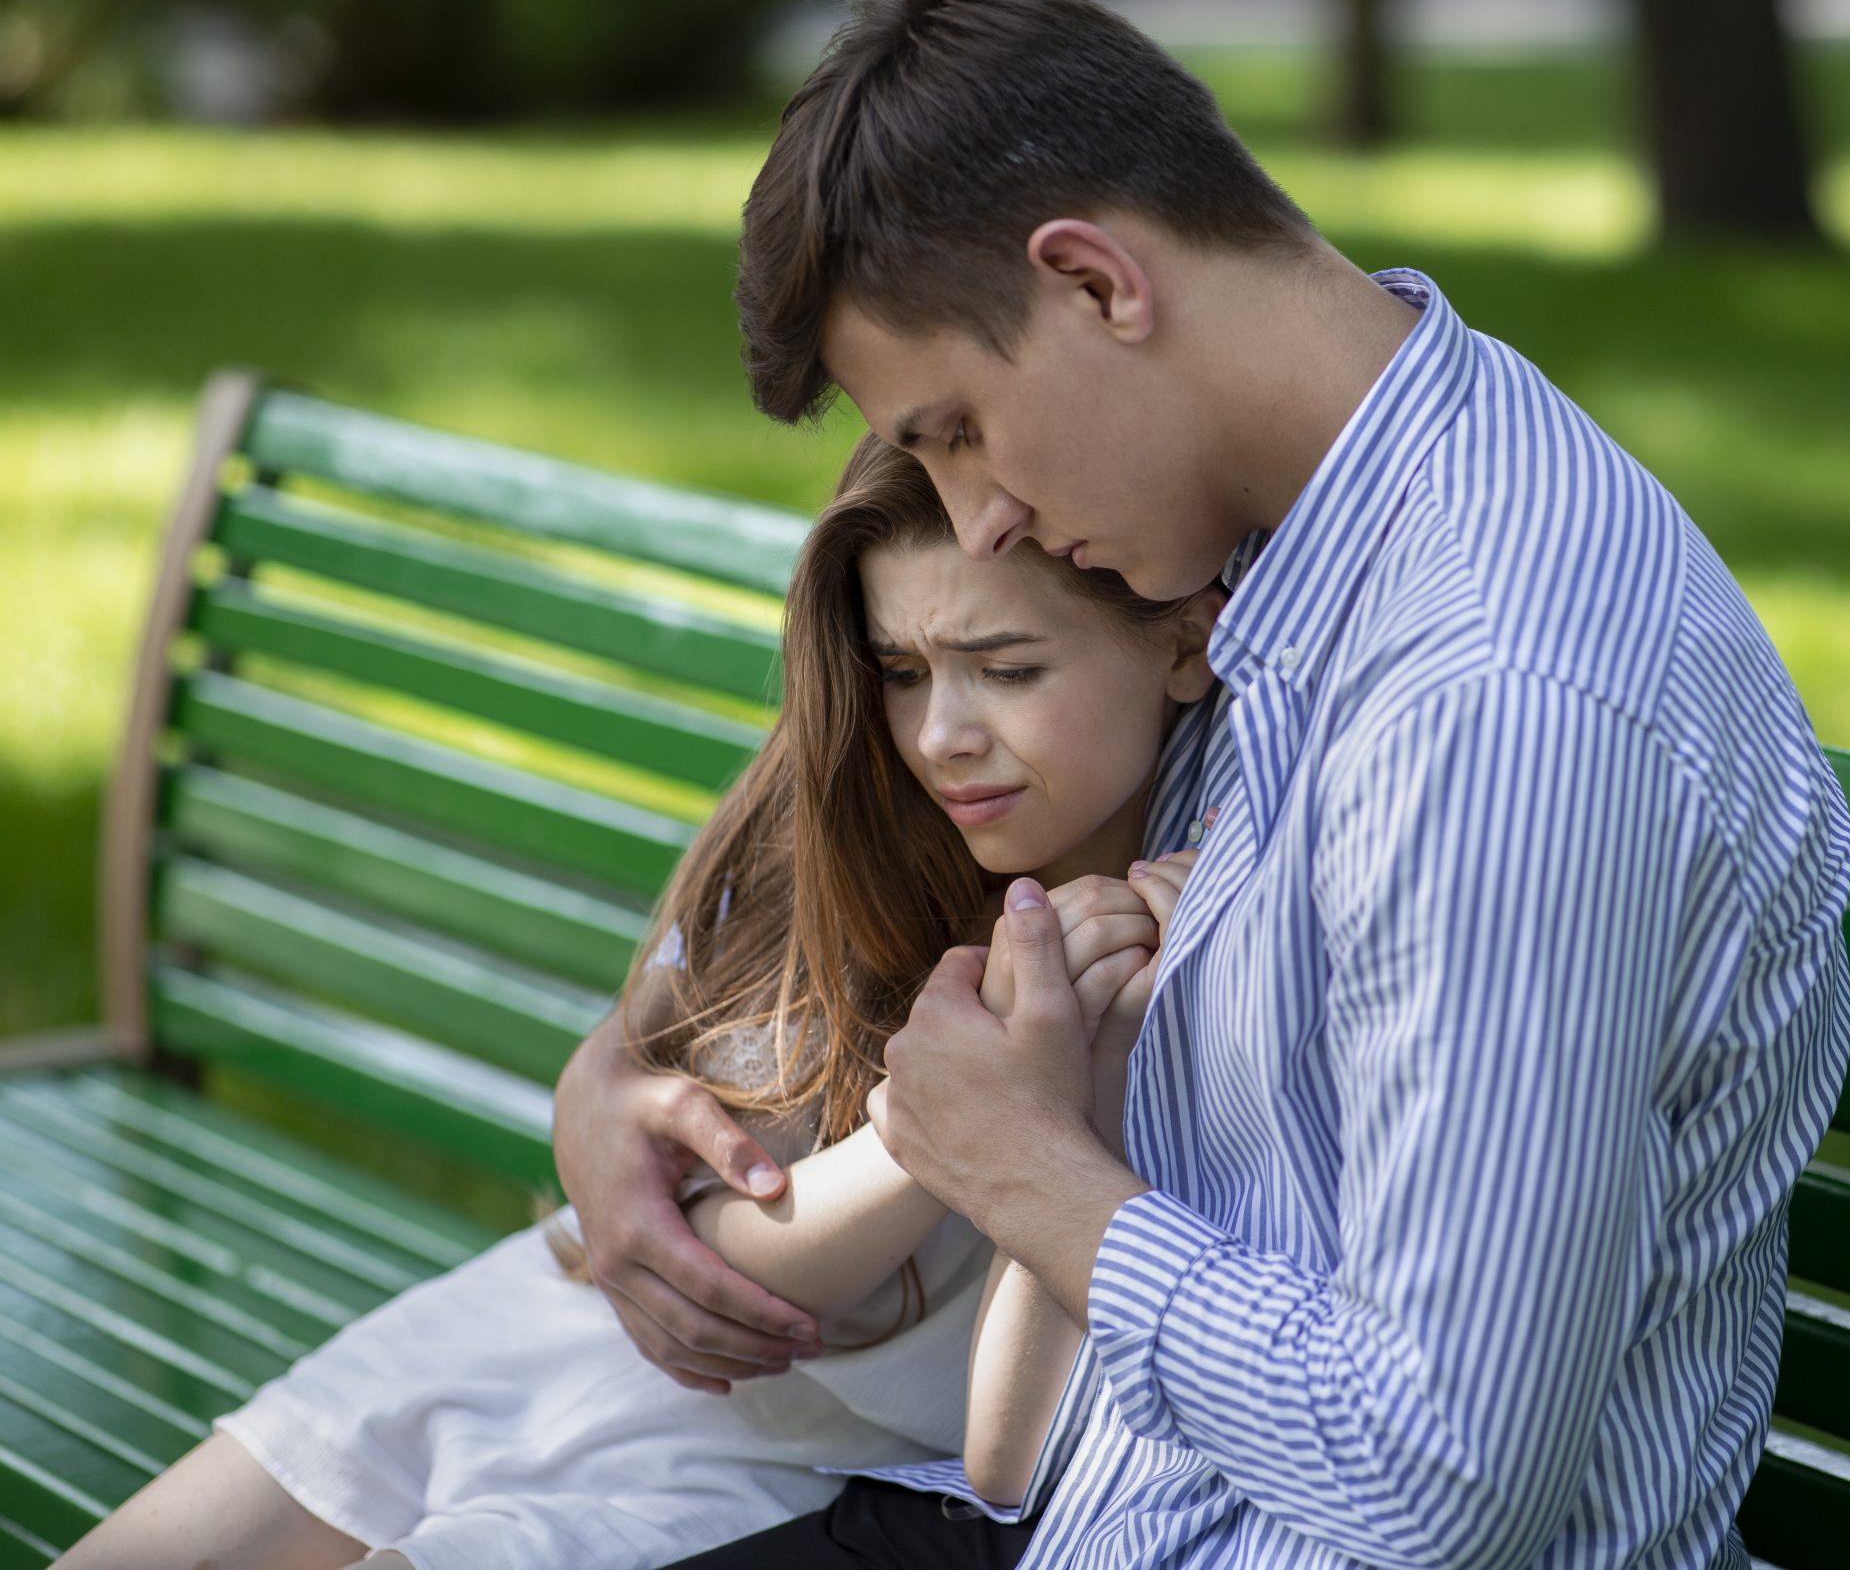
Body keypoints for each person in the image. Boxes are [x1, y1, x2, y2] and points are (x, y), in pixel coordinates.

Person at [571, 0, 1850, 1570]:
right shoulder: (1288, 542)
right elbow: (816, 863)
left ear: (1100, 282)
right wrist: (608, 1082)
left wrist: (1029, 1170)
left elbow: (1445, 1478)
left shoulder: (1490, 694)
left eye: (957, 430)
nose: (984, 515)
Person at [54, 435, 1223, 1570]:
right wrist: (949, 1108)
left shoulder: (1194, 930)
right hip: (594, 1317)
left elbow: (1015, 1448)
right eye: (902, 673)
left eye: (1007, 670)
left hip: (802, 1463)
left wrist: (1035, 1092)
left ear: (1186, 643)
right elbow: (717, 1251)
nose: (940, 736)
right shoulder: (850, 835)